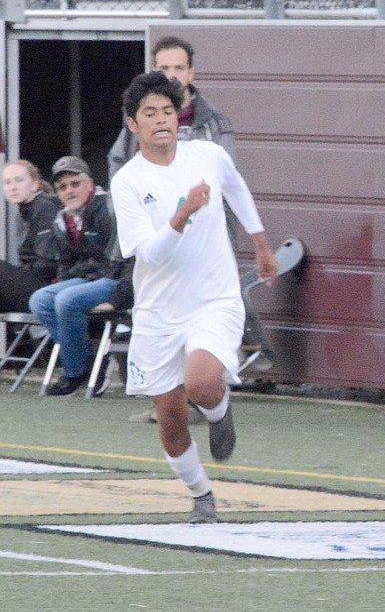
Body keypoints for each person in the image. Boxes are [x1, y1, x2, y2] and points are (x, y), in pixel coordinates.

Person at [110, 71, 277, 523]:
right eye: (150, 114)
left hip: (214, 298)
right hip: (158, 311)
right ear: (133, 124)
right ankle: (201, 495)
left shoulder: (208, 155)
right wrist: (183, 213)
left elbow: (237, 187)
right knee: (170, 416)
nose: (161, 120)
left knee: (202, 382)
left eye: (167, 111)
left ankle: (221, 411)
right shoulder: (128, 182)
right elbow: (151, 253)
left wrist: (260, 244)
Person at [107, 36, 275, 422]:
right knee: (168, 397)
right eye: (164, 68)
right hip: (157, 246)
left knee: (210, 334)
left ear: (191, 74)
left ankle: (219, 385)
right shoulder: (136, 136)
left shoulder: (212, 128)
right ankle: (175, 403)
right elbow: (119, 162)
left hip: (210, 242)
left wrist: (259, 244)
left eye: (178, 68)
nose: (171, 75)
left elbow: (231, 183)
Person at [28, 156, 124, 396]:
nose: (69, 191)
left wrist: (116, 294)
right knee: (39, 300)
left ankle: (74, 372)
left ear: (89, 183)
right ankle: (91, 363)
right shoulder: (62, 220)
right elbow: (66, 263)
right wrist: (69, 277)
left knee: (66, 299)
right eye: (62, 187)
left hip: (116, 280)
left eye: (75, 183)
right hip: (88, 279)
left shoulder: (107, 209)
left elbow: (123, 258)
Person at [1, 160, 60, 312]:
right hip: (35, 281)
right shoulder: (25, 212)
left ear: (35, 185)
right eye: (7, 182)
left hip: (48, 285)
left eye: (19, 180)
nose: (13, 187)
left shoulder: (44, 207)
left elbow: (47, 263)